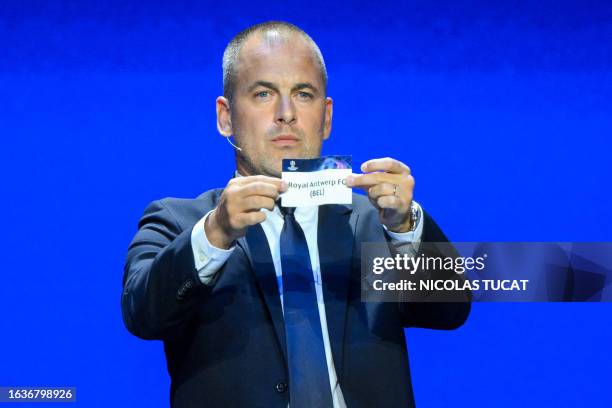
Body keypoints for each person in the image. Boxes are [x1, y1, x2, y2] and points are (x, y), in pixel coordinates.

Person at [122, 21, 470, 408]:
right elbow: (142, 315)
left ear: (326, 117)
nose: (286, 113)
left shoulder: (375, 223)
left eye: (303, 94)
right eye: (263, 93)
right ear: (225, 117)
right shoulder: (179, 222)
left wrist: (406, 228)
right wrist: (217, 232)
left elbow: (450, 310)